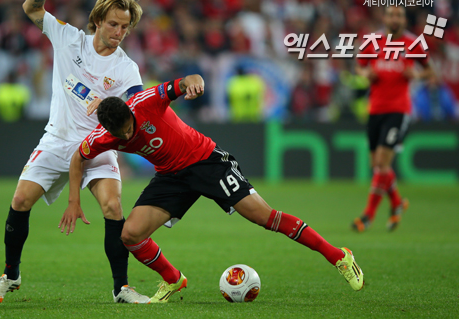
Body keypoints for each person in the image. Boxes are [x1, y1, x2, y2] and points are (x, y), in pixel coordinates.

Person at [60, 74, 365, 303]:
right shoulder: (104, 136)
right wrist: (74, 199)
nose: (128, 133)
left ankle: (339, 256)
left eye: (129, 125)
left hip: (206, 161)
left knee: (264, 216)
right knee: (130, 234)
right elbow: (78, 158)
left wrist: (196, 84)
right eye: (122, 132)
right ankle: (173, 279)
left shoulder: (145, 102)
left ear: (129, 111)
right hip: (171, 176)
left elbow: (189, 80)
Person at [0, 0, 150, 304]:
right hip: (57, 139)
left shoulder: (126, 68)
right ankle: (11, 274)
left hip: (98, 145)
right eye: (114, 24)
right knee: (19, 201)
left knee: (113, 206)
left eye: (125, 26)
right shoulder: (69, 38)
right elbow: (31, 9)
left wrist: (112, 107)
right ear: (99, 20)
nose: (119, 32)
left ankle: (122, 288)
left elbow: (136, 112)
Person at [352, 6, 435, 232]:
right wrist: (366, 74)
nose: (394, 18)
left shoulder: (413, 44)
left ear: (404, 19)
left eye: (398, 15)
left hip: (398, 110)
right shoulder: (373, 42)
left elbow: (430, 71)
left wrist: (416, 75)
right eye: (391, 15)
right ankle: (398, 203)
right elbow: (359, 67)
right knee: (376, 165)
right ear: (385, 18)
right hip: (375, 109)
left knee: (381, 163)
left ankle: (367, 216)